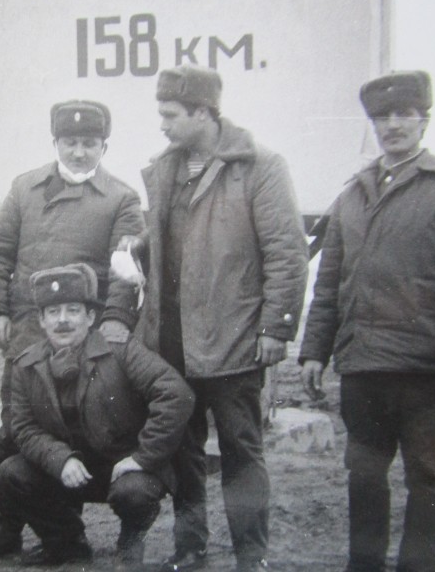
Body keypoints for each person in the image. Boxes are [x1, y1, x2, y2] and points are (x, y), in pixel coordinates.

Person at [118, 65, 309, 572]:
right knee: (184, 452)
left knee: (242, 451)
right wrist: (137, 247)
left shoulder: (261, 166)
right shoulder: (165, 169)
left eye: (170, 114)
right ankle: (190, 550)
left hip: (234, 340)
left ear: (203, 112)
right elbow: (176, 239)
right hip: (172, 341)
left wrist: (275, 328)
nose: (161, 125)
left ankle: (251, 556)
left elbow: (286, 253)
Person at [299, 71, 435, 572]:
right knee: (363, 475)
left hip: (427, 369)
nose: (393, 125)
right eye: (382, 116)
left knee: (427, 477)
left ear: (424, 120)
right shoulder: (351, 195)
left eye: (405, 114)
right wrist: (314, 352)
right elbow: (329, 282)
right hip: (362, 367)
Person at [0, 99, 145, 557]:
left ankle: (70, 534)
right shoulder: (24, 188)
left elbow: (125, 271)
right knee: (15, 434)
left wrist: (113, 322)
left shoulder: (122, 198)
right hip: (29, 334)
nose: (79, 152)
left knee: (79, 430)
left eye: (90, 143)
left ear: (104, 146)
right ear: (55, 143)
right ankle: (9, 527)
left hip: (87, 338)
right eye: (70, 142)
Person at [0, 263, 194, 569]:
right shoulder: (25, 366)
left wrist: (143, 457)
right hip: (69, 470)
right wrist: (60, 459)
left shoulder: (121, 351)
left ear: (90, 317)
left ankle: (130, 543)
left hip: (124, 470)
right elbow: (23, 427)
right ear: (42, 321)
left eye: (73, 310)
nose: (63, 320)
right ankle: (67, 543)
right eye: (53, 312)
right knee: (12, 473)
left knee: (135, 493)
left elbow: (175, 394)